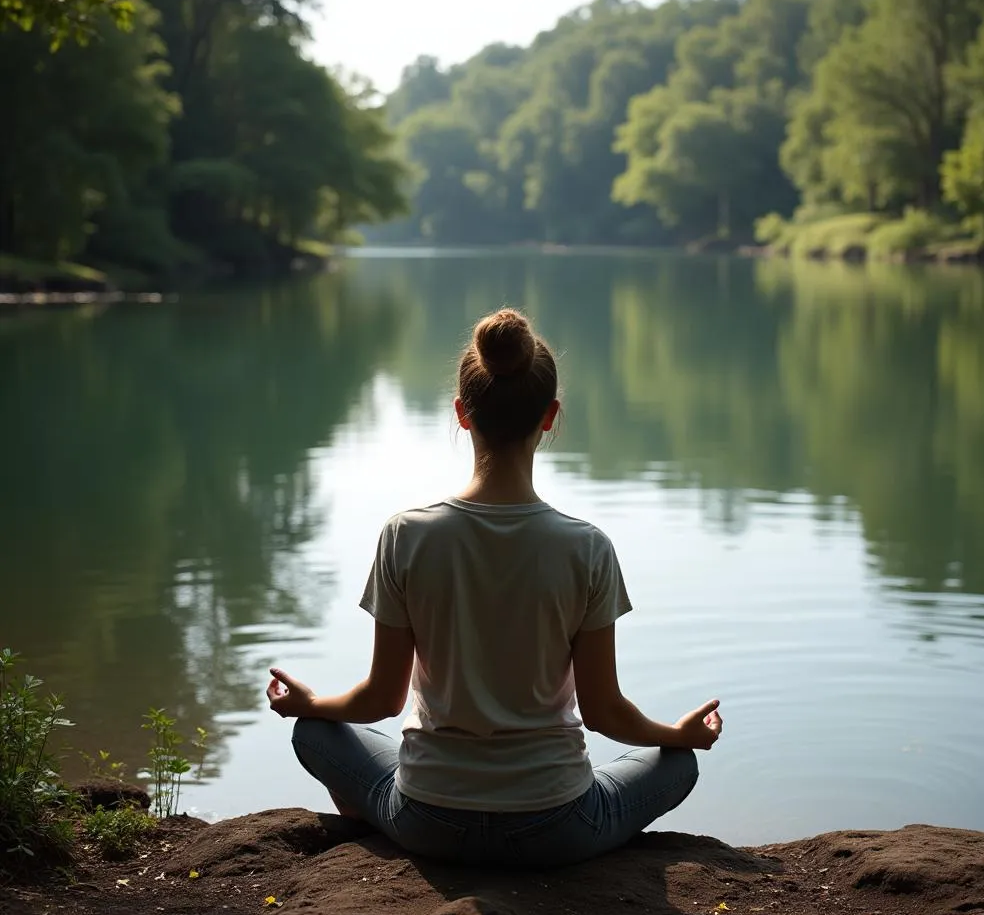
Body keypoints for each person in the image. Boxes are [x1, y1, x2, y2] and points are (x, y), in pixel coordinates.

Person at [266, 308, 723, 868]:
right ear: (551, 417)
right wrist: (677, 735)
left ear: (462, 413)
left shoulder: (405, 535)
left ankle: (374, 822)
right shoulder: (587, 548)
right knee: (678, 765)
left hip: (427, 819)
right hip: (557, 825)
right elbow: (604, 713)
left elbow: (380, 700)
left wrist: (310, 703)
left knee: (314, 733)